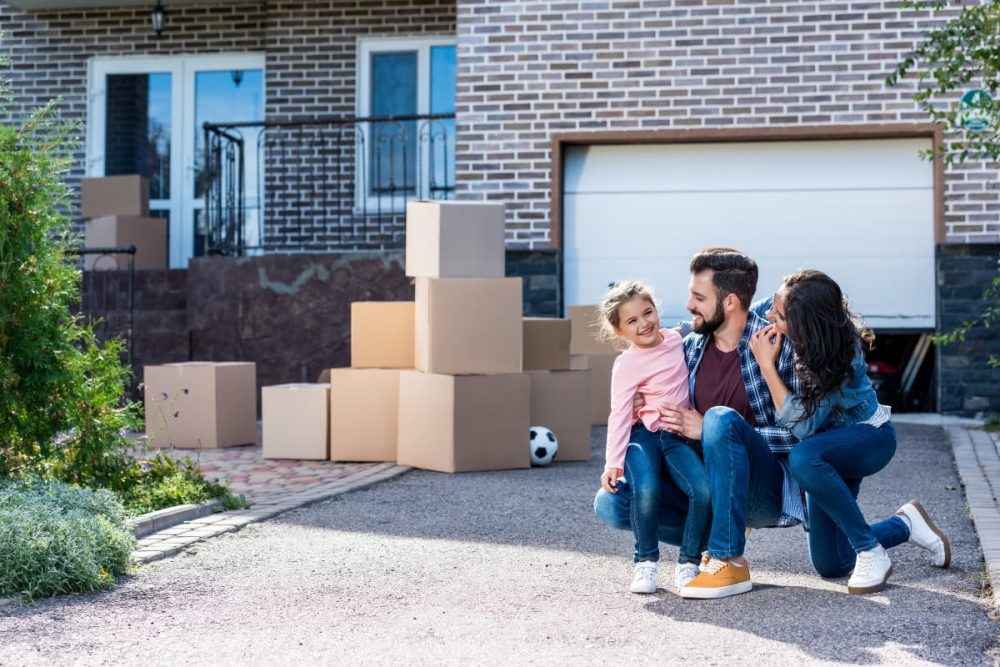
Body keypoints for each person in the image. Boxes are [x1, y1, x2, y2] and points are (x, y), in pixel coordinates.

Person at [748, 269, 950, 595]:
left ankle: (870, 550)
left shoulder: (839, 356)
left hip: (867, 439)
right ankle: (906, 524)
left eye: (779, 315)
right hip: (826, 451)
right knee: (831, 563)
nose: (769, 315)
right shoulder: (786, 308)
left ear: (806, 324)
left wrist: (766, 366)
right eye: (772, 304)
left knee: (803, 456)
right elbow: (737, 312)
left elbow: (803, 426)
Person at [596, 280, 711, 594]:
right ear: (620, 332)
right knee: (645, 489)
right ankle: (645, 562)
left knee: (702, 490)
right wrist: (612, 463)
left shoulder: (678, 339)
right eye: (632, 321)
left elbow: (707, 318)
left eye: (648, 312)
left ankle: (689, 563)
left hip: (676, 438)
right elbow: (619, 414)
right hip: (643, 436)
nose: (644, 323)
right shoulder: (626, 364)